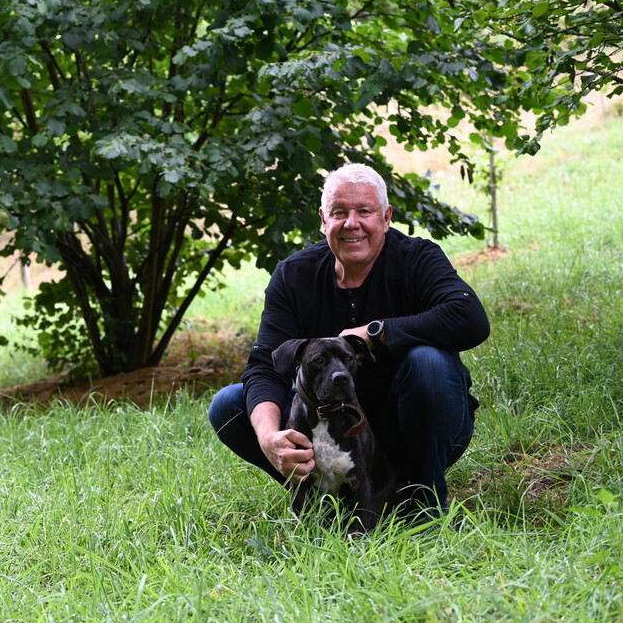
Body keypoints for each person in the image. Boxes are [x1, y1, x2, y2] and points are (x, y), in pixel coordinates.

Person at [208, 162, 490, 518]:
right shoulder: (295, 275)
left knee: (429, 363)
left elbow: (470, 319)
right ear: (324, 220)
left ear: (386, 217)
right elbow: (265, 366)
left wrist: (378, 333)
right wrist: (268, 438)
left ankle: (422, 498)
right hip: (330, 429)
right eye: (339, 212)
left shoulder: (417, 259)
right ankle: (326, 493)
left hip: (411, 421)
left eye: (365, 211)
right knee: (230, 405)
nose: (351, 223)